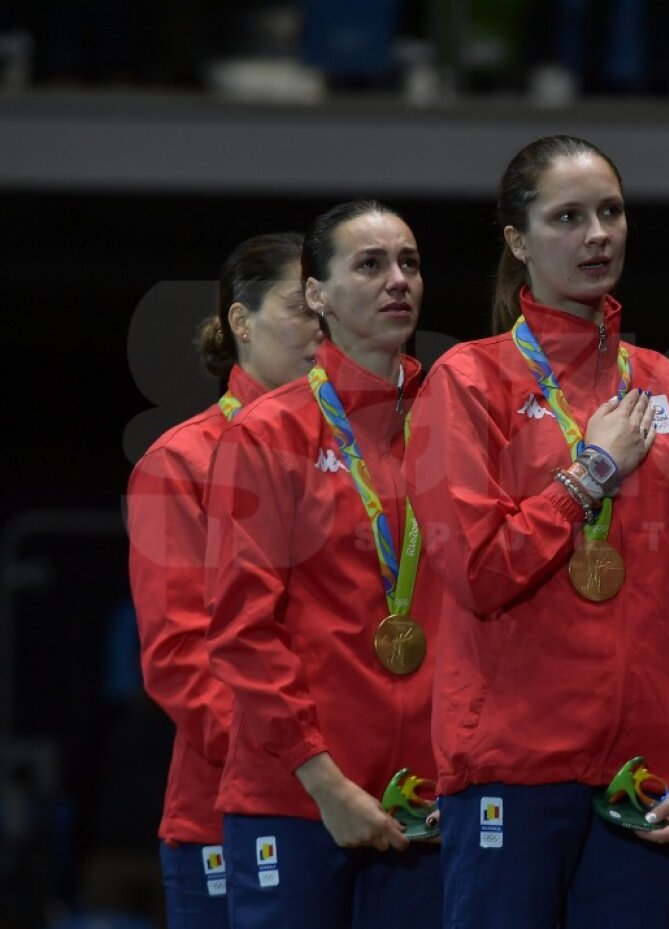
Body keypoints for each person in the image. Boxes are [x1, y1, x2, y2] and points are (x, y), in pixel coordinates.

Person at [403, 134, 669, 929]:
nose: (597, 234)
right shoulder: (468, 381)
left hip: (640, 768)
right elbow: (478, 568)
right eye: (568, 217)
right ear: (518, 242)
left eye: (610, 212)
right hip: (510, 760)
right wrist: (588, 475)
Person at [204, 201, 441, 929]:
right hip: (297, 792)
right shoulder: (268, 434)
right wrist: (323, 779)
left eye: (408, 262)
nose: (396, 280)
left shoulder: (455, 415)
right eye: (370, 264)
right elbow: (243, 627)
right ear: (317, 294)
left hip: (426, 797)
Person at [127, 232, 322, 928]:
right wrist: (305, 764)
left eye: (330, 312)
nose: (320, 332)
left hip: (373, 798)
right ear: (241, 322)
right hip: (234, 804)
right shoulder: (178, 463)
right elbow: (180, 659)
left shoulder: (373, 457)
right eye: (302, 309)